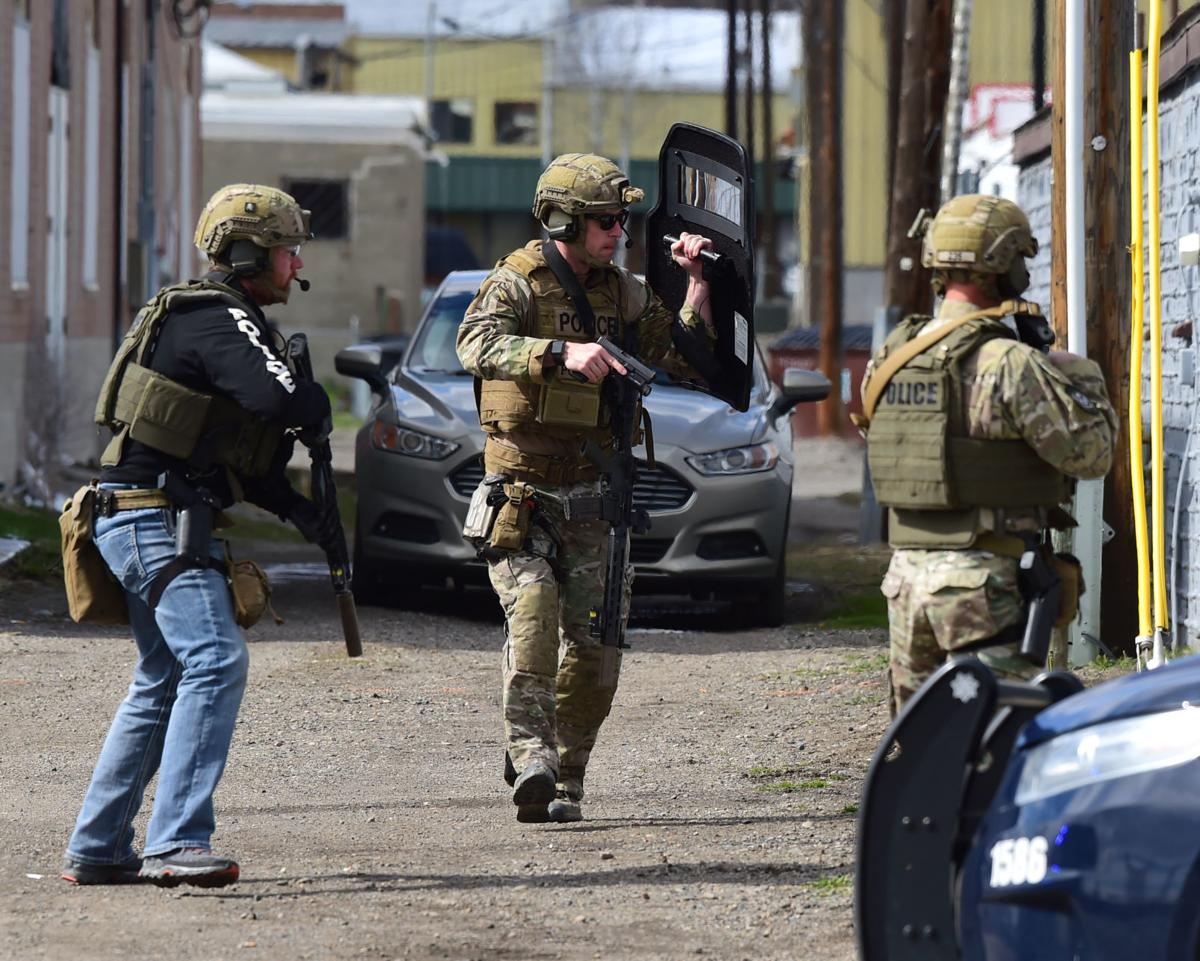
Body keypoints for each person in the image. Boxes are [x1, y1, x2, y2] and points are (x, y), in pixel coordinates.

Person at [61, 184, 340, 887]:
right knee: (215, 659)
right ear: (251, 254)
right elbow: (279, 399)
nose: (296, 262)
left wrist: (308, 517)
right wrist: (316, 401)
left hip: (151, 511)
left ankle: (99, 844)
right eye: (286, 249)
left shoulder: (228, 321)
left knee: (164, 676)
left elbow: (241, 452)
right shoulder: (218, 316)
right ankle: (176, 842)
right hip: (151, 513)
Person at [456, 153, 716, 823]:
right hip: (521, 494)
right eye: (605, 220)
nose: (618, 230)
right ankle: (531, 753)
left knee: (598, 653)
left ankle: (565, 775)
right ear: (566, 219)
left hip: (596, 497)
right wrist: (554, 354)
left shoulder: (624, 293)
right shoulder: (517, 283)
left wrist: (695, 289)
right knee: (535, 617)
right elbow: (475, 343)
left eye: (622, 218)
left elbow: (680, 355)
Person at [859, 193, 1117, 716]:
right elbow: (1091, 456)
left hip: (906, 579)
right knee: (995, 736)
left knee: (920, 741)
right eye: (1022, 256)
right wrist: (1081, 376)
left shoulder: (893, 354)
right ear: (1001, 264)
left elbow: (889, 441)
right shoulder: (1010, 362)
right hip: (984, 579)